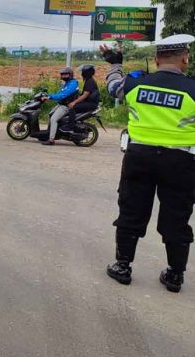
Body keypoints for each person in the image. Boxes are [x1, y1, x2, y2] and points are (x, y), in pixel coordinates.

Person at [103, 34, 195, 293]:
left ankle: (123, 267)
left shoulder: (135, 84)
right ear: (185, 58)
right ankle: (175, 276)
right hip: (182, 161)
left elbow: (112, 88)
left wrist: (115, 64)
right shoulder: (193, 89)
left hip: (138, 157)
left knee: (131, 210)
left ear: (156, 60)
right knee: (177, 216)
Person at [40, 66, 79, 145]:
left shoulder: (73, 84)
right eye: (62, 75)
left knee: (54, 119)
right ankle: (50, 133)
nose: (63, 76)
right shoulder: (67, 83)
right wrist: (49, 95)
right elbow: (59, 94)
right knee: (50, 114)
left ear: (70, 74)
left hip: (67, 106)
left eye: (65, 74)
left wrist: (50, 97)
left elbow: (63, 95)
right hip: (62, 104)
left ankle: (51, 140)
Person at [65, 64, 100, 129]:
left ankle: (70, 126)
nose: (81, 73)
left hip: (91, 104)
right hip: (90, 102)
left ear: (86, 73)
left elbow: (85, 95)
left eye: (82, 72)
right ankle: (75, 122)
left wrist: (74, 102)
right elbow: (84, 94)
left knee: (72, 107)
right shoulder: (89, 80)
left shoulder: (90, 81)